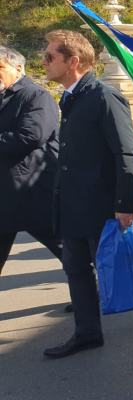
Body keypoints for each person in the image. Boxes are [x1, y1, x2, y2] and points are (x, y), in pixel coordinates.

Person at [41, 31, 133, 360]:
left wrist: (125, 203)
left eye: (50, 57)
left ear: (73, 61)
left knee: (114, 264)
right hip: (72, 202)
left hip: (99, 202)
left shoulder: (104, 96)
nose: (44, 63)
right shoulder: (70, 97)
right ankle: (88, 332)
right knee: (76, 269)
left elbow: (126, 154)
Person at [0, 46, 64, 275]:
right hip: (6, 196)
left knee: (70, 251)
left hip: (35, 192)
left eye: (0, 67)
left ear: (18, 68)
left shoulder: (36, 95)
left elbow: (30, 136)